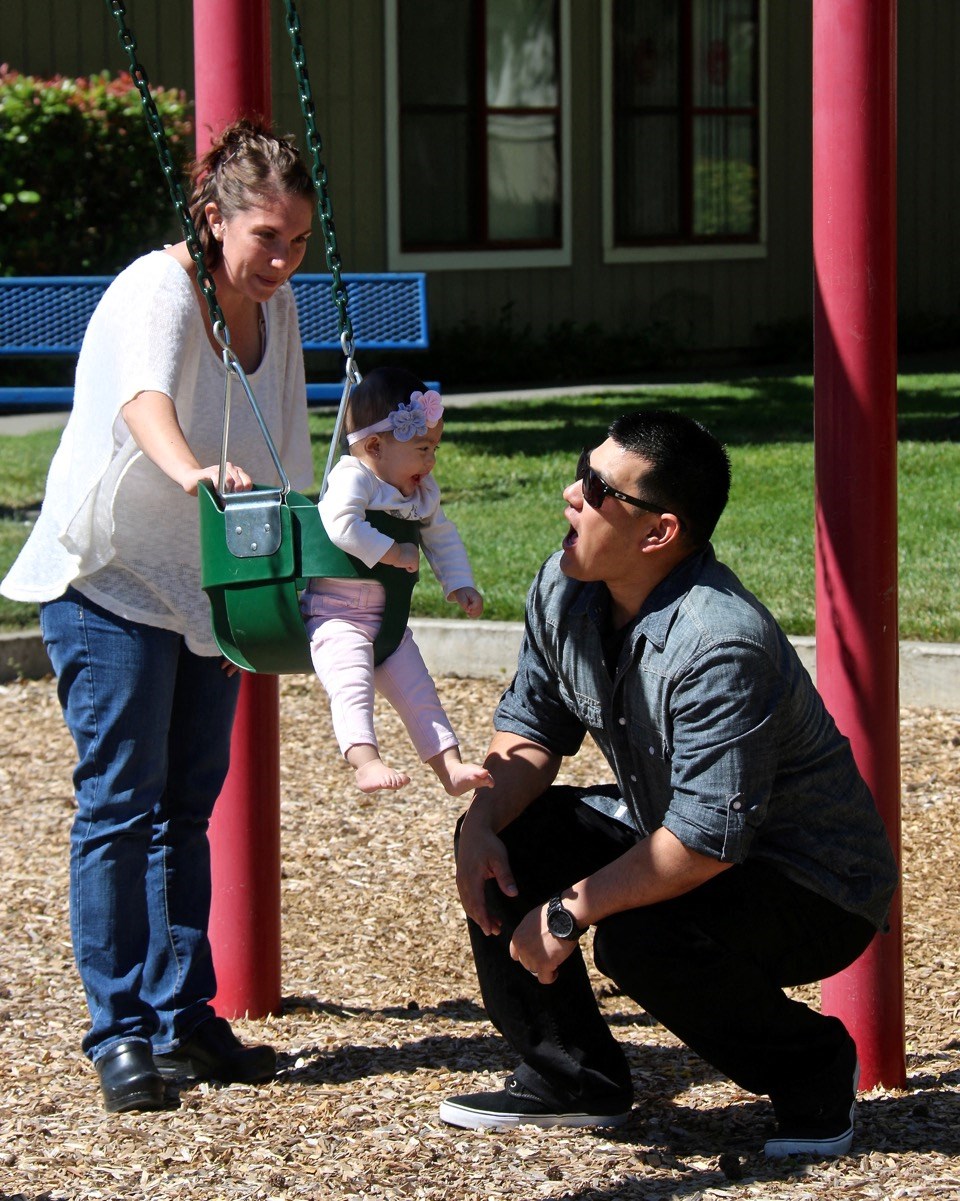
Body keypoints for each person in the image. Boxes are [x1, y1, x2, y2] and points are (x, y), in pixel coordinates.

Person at [440, 410, 898, 1158]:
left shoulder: (719, 642)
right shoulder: (566, 587)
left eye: (596, 488)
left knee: (638, 935)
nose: (570, 494)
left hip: (814, 882)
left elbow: (704, 843)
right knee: (516, 843)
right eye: (581, 470)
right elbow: (531, 728)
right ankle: (571, 1078)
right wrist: (482, 823)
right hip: (688, 832)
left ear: (658, 533)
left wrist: (568, 909)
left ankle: (813, 1069)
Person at [0, 119, 316, 1113]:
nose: (283, 258)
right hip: (114, 580)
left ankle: (185, 1016)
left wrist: (293, 569)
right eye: (267, 236)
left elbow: (290, 437)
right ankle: (121, 1031)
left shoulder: (280, 299)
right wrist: (193, 475)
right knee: (122, 806)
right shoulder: (157, 287)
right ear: (213, 217)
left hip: (206, 589)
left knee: (187, 807)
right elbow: (145, 401)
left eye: (299, 240)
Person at [301, 365, 493, 796]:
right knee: (351, 683)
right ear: (373, 446)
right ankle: (366, 762)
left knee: (420, 692)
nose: (431, 460)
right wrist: (393, 552)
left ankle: (451, 768)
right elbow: (339, 523)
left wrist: (459, 582)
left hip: (388, 623)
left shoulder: (420, 492)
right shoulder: (353, 476)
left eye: (435, 449)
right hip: (336, 617)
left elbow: (440, 535)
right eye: (423, 447)